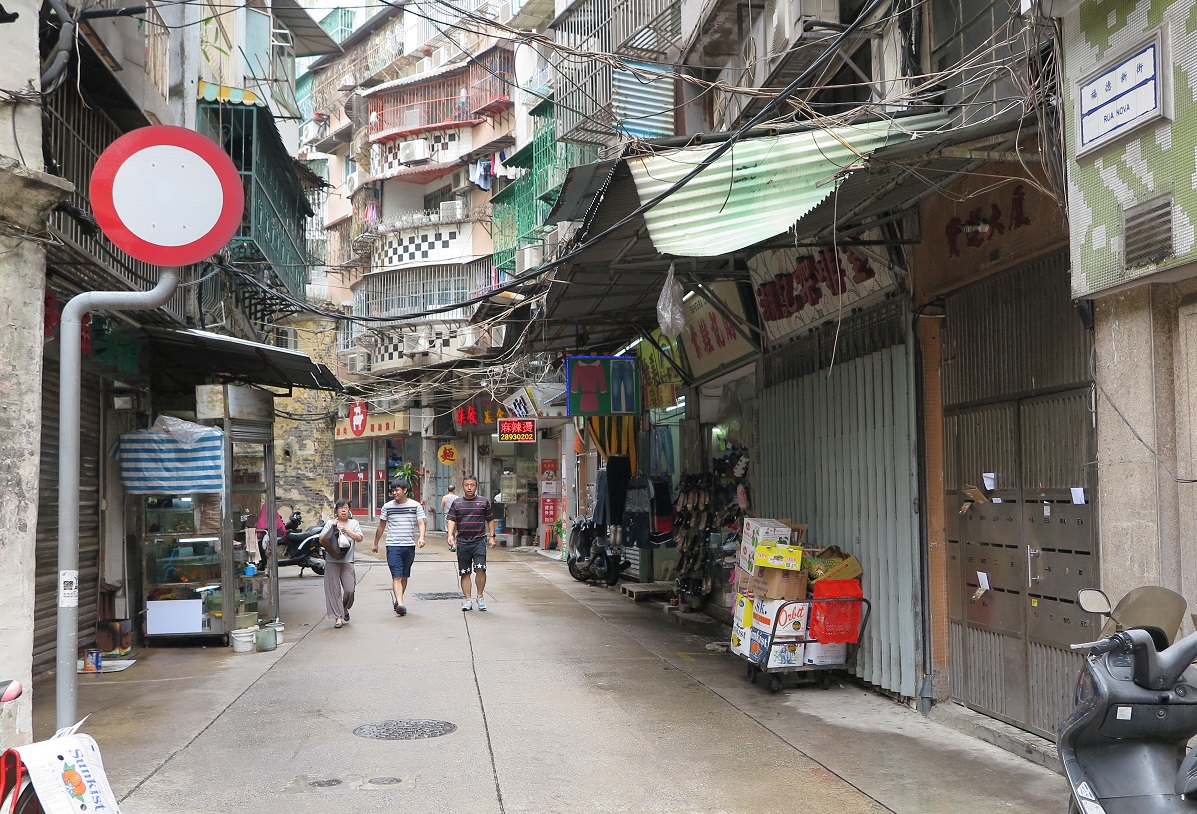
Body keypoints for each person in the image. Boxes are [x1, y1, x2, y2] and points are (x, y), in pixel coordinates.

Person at [373, 479, 426, 616]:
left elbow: (421, 523)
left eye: (397, 490)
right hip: (393, 546)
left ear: (405, 490)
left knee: (404, 576)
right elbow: (381, 525)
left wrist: (421, 537)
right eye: (392, 491)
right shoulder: (387, 507)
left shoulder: (415, 506)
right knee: (396, 576)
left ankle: (398, 600)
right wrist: (376, 543)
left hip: (409, 546)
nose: (394, 493)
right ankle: (401, 604)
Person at [445, 474, 496, 611]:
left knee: (481, 569)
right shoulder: (457, 503)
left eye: (472, 485)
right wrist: (450, 535)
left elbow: (490, 519)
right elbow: (451, 519)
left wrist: (492, 536)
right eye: (466, 485)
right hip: (462, 542)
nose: (469, 488)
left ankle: (480, 596)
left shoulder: (483, 502)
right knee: (465, 572)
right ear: (462, 486)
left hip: (479, 541)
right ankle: (468, 600)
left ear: (476, 486)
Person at [322, 499, 362, 629]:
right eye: (340, 508)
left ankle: (344, 609)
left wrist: (346, 530)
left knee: (350, 590)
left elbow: (359, 538)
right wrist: (331, 528)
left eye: (346, 508)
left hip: (347, 561)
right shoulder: (330, 523)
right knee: (334, 590)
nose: (343, 510)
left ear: (349, 510)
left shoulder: (354, 523)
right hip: (332, 561)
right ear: (336, 511)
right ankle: (337, 618)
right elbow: (321, 539)